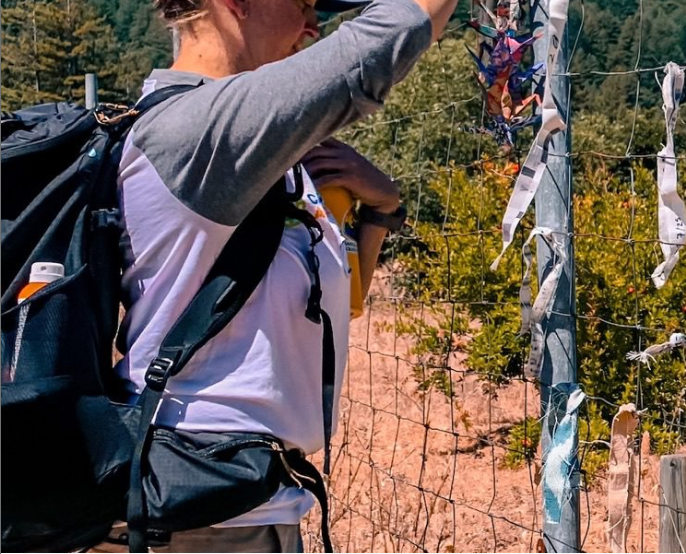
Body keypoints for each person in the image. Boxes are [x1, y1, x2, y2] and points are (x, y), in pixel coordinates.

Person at [90, 0, 456, 547]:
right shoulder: (204, 130)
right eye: (304, 4)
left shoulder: (257, 154)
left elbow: (341, 298)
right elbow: (375, 46)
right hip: (200, 511)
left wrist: (383, 209)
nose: (314, 26)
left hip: (238, 496)